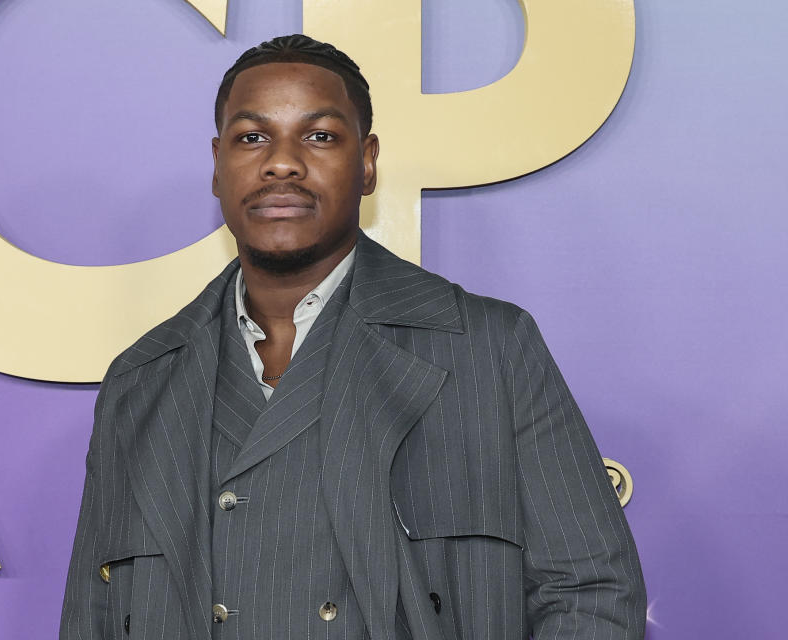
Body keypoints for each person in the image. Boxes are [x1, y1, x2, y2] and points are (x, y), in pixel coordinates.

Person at [60, 34, 646, 640]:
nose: (281, 161)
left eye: (318, 136)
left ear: (367, 164)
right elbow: (91, 618)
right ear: (217, 165)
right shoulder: (142, 380)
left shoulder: (488, 348)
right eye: (252, 137)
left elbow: (590, 593)